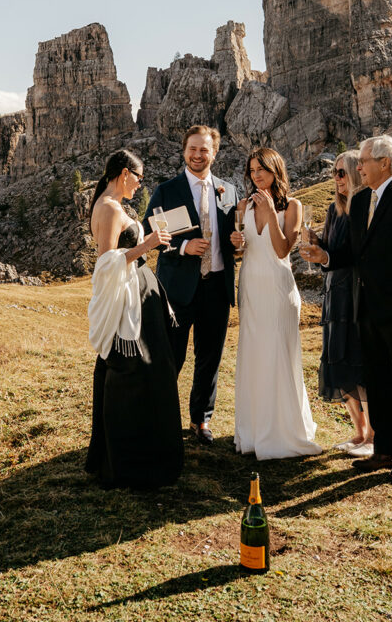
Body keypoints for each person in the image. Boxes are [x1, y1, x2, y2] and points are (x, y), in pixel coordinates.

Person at [303, 135, 392, 483]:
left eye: (363, 161)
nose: (357, 167)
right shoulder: (361, 202)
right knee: (379, 382)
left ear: (384, 163)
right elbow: (354, 256)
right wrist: (326, 257)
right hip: (367, 310)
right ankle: (385, 450)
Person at [86, 148, 184, 489]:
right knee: (142, 373)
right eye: (138, 178)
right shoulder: (110, 208)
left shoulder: (113, 205)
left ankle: (145, 455)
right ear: (124, 172)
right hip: (130, 301)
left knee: (155, 370)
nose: (140, 185)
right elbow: (105, 263)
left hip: (142, 295)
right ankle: (134, 463)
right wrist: (148, 245)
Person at [143, 125, 237, 445]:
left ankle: (201, 420)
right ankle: (159, 417)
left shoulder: (229, 190)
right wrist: (183, 247)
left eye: (204, 150)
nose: (198, 155)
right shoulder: (167, 190)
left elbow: (232, 236)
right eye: (192, 149)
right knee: (172, 356)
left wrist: (237, 243)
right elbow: (150, 235)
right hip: (178, 290)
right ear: (184, 150)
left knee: (209, 358)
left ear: (215, 153)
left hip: (217, 288)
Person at [232, 147, 322, 460]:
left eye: (262, 169)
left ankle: (284, 431)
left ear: (276, 171)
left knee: (278, 355)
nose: (256, 175)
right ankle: (255, 432)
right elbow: (243, 248)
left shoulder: (293, 206)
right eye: (252, 170)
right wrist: (237, 244)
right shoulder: (242, 205)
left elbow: (283, 249)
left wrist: (271, 213)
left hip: (279, 289)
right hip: (251, 288)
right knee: (254, 354)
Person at [317, 151, 374, 457]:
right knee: (337, 358)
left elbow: (354, 255)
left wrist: (326, 256)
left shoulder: (363, 209)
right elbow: (329, 253)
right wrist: (316, 248)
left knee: (358, 358)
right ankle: (359, 432)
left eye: (342, 172)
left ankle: (374, 436)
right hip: (334, 293)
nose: (337, 178)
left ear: (355, 172)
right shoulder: (333, 210)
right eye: (334, 173)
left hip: (356, 293)